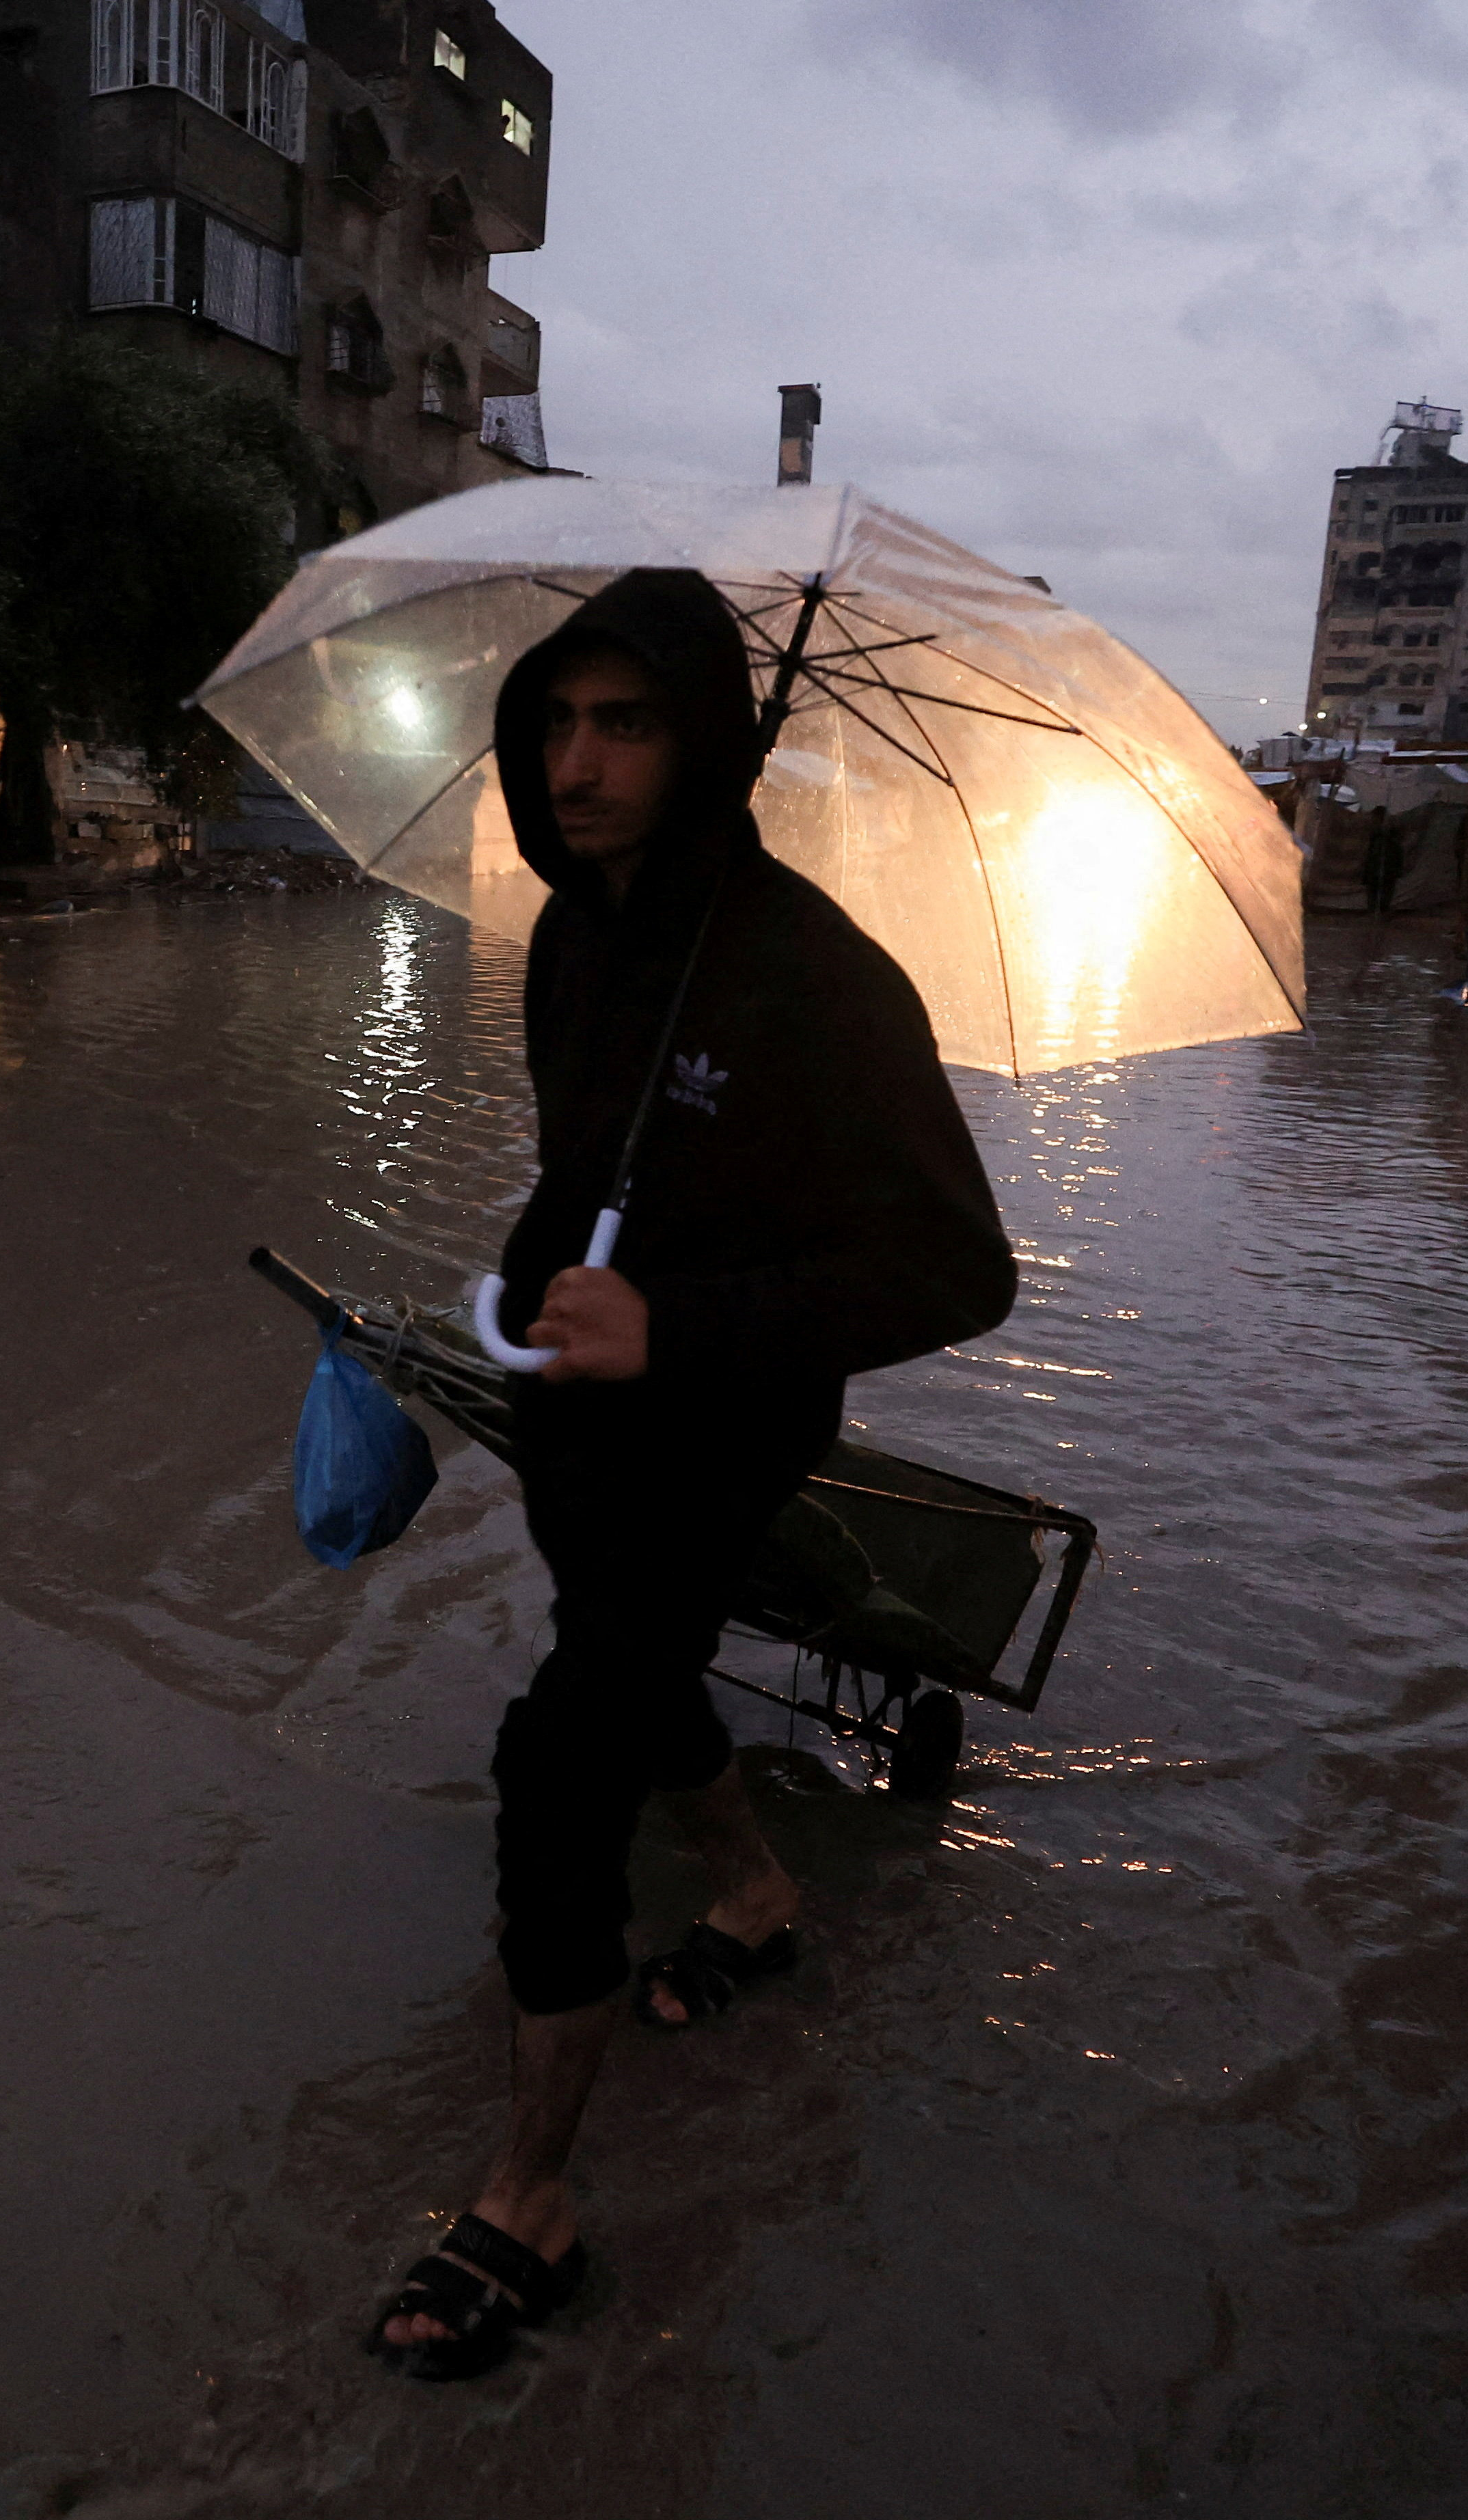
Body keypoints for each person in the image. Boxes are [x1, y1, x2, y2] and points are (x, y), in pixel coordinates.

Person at [366, 569, 1017, 2383]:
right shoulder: (575, 937)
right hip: (579, 1417)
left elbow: (957, 1271)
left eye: (624, 724)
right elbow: (580, 1171)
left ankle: (530, 2197)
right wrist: (498, 1306)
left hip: (720, 1430)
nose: (572, 765)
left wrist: (677, 1323)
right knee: (631, 1669)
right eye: (553, 722)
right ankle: (751, 1894)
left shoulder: (817, 975)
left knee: (559, 1757)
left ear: (705, 740)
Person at [1359, 805, 1405, 917]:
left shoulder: (1390, 835)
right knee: (1374, 895)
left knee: (1384, 895)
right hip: (1375, 869)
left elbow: (1396, 851)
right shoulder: (1376, 835)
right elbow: (1371, 853)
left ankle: (1382, 913)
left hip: (1387, 868)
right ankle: (1375, 913)